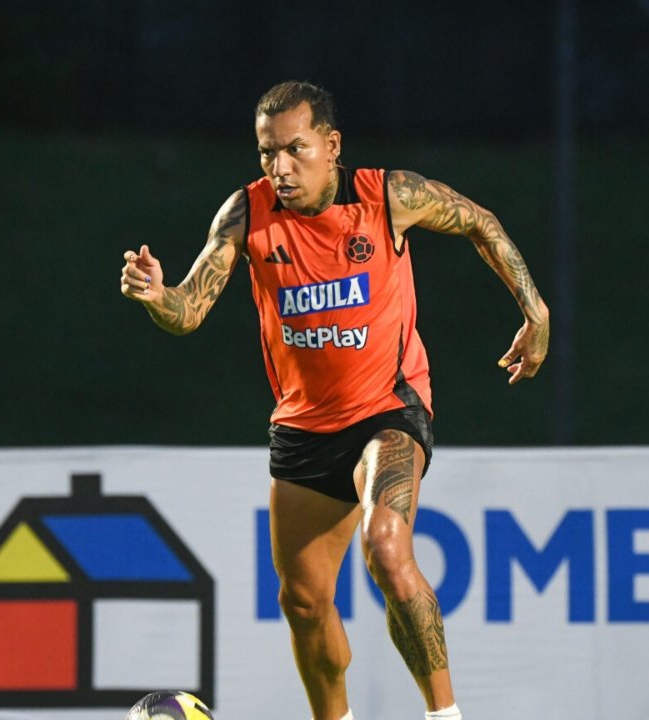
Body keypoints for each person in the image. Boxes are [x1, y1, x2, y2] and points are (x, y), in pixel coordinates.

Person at [119, 81, 549, 720]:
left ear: (332, 144)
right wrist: (158, 297)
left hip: (388, 411)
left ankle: (445, 715)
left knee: (386, 545)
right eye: (268, 153)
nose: (280, 168)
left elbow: (479, 221)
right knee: (303, 601)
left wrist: (534, 308)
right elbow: (190, 309)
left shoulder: (387, 197)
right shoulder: (246, 213)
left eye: (296, 149)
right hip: (303, 429)